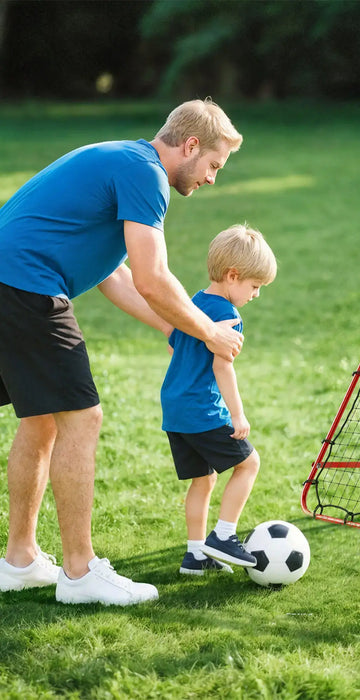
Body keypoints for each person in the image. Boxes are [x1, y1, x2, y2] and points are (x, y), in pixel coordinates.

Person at [0, 98, 245, 605]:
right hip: (25, 285)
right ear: (191, 145)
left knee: (44, 417)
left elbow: (116, 276)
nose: (212, 179)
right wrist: (210, 333)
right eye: (214, 165)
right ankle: (80, 572)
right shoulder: (145, 173)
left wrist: (178, 331)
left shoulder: (122, 160)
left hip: (11, 282)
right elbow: (154, 279)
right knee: (81, 417)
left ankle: (19, 560)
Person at [160, 224, 276, 575]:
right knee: (249, 464)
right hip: (201, 408)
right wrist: (238, 416)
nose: (255, 295)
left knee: (204, 478)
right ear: (232, 275)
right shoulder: (228, 316)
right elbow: (223, 368)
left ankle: (195, 556)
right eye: (254, 287)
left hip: (175, 407)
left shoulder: (192, 304)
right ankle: (223, 536)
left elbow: (173, 344)